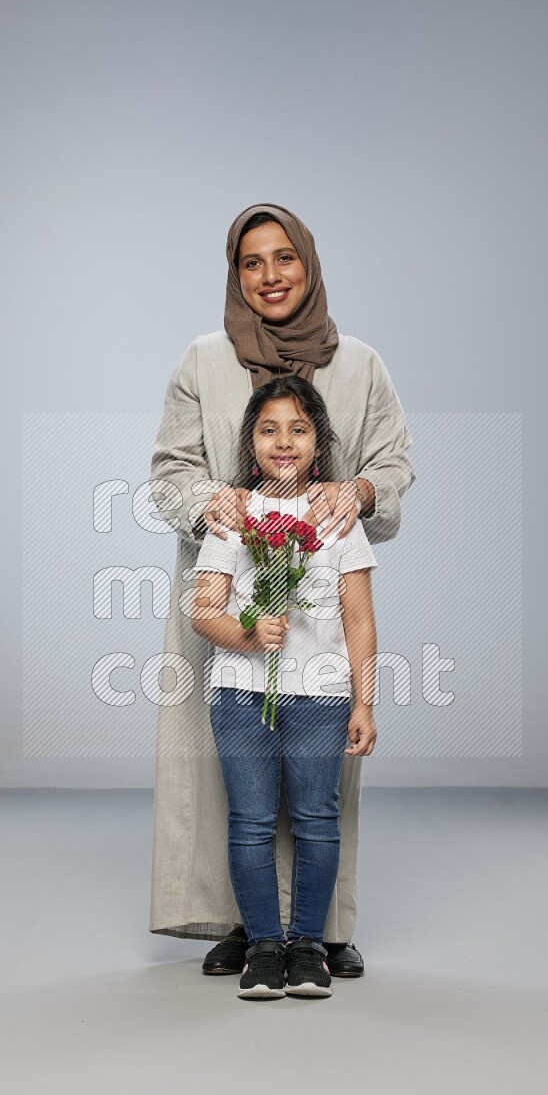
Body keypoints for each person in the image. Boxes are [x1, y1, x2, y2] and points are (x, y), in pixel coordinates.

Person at [149, 202, 415, 977]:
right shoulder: (203, 359)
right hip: (230, 599)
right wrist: (209, 502)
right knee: (232, 771)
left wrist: (360, 490)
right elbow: (170, 471)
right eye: (251, 263)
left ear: (310, 263)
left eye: (284, 258)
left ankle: (322, 931)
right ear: (235, 276)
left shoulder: (361, 364)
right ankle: (246, 925)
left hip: (325, 612)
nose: (270, 276)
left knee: (319, 783)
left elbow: (396, 463)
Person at [191, 375, 378, 999]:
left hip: (321, 695)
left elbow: (358, 618)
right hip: (243, 695)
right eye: (269, 429)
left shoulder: (336, 519)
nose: (284, 442)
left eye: (298, 429)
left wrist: (364, 701)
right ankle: (264, 947)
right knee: (249, 820)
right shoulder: (233, 515)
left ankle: (307, 947)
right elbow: (204, 610)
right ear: (251, 443)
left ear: (317, 444)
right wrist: (247, 632)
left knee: (317, 818)